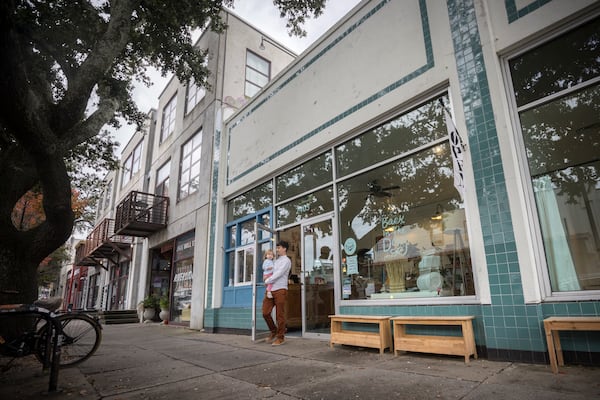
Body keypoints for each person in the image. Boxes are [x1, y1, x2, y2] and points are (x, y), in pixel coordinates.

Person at [262, 240, 292, 346]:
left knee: (280, 315)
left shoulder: (286, 261)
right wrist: (266, 276)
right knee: (265, 312)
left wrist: (268, 280)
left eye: (279, 248)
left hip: (280, 289)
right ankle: (274, 331)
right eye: (277, 248)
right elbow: (270, 271)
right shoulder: (276, 261)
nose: (277, 250)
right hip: (271, 289)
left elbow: (279, 273)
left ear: (284, 249)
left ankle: (280, 337)